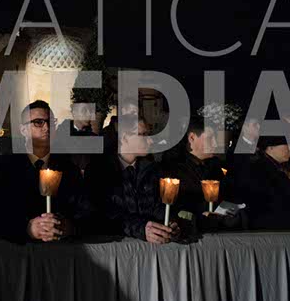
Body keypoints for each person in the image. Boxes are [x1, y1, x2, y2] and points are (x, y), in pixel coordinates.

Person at [0, 100, 88, 242]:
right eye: (38, 122)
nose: (47, 128)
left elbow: (86, 211)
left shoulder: (69, 168)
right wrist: (27, 228)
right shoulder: (4, 168)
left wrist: (68, 227)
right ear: (23, 130)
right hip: (18, 250)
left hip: (62, 250)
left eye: (50, 122)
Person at [84, 115, 181, 243]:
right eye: (143, 135)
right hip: (114, 247)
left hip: (151, 246)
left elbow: (159, 207)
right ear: (124, 138)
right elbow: (102, 216)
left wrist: (170, 222)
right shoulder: (99, 171)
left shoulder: (153, 170)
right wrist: (141, 229)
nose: (150, 140)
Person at [162, 116, 242, 231]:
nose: (215, 143)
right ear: (192, 137)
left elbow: (228, 197)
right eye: (210, 138)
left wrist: (229, 216)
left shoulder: (215, 167)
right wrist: (198, 218)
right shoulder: (171, 169)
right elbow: (169, 210)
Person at [54, 102, 97, 172]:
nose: (89, 114)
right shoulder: (59, 136)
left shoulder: (94, 138)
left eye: (90, 111)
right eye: (84, 111)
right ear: (74, 113)